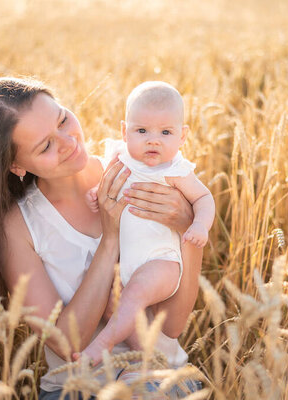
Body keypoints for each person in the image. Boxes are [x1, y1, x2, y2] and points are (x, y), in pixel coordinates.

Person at [0, 77, 203, 399]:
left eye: (62, 119)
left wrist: (187, 227)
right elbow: (68, 342)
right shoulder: (18, 227)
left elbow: (172, 326)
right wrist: (110, 240)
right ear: (15, 165)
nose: (68, 141)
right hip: (76, 390)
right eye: (45, 146)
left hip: (162, 380)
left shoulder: (137, 170)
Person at [79, 81, 215, 366]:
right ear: (124, 131)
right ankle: (152, 360)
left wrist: (200, 224)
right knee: (111, 305)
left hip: (161, 263)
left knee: (135, 294)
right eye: (142, 131)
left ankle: (103, 344)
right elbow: (107, 185)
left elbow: (203, 197)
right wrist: (96, 194)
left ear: (182, 136)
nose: (154, 140)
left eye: (166, 132)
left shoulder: (175, 170)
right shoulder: (120, 158)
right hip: (126, 262)